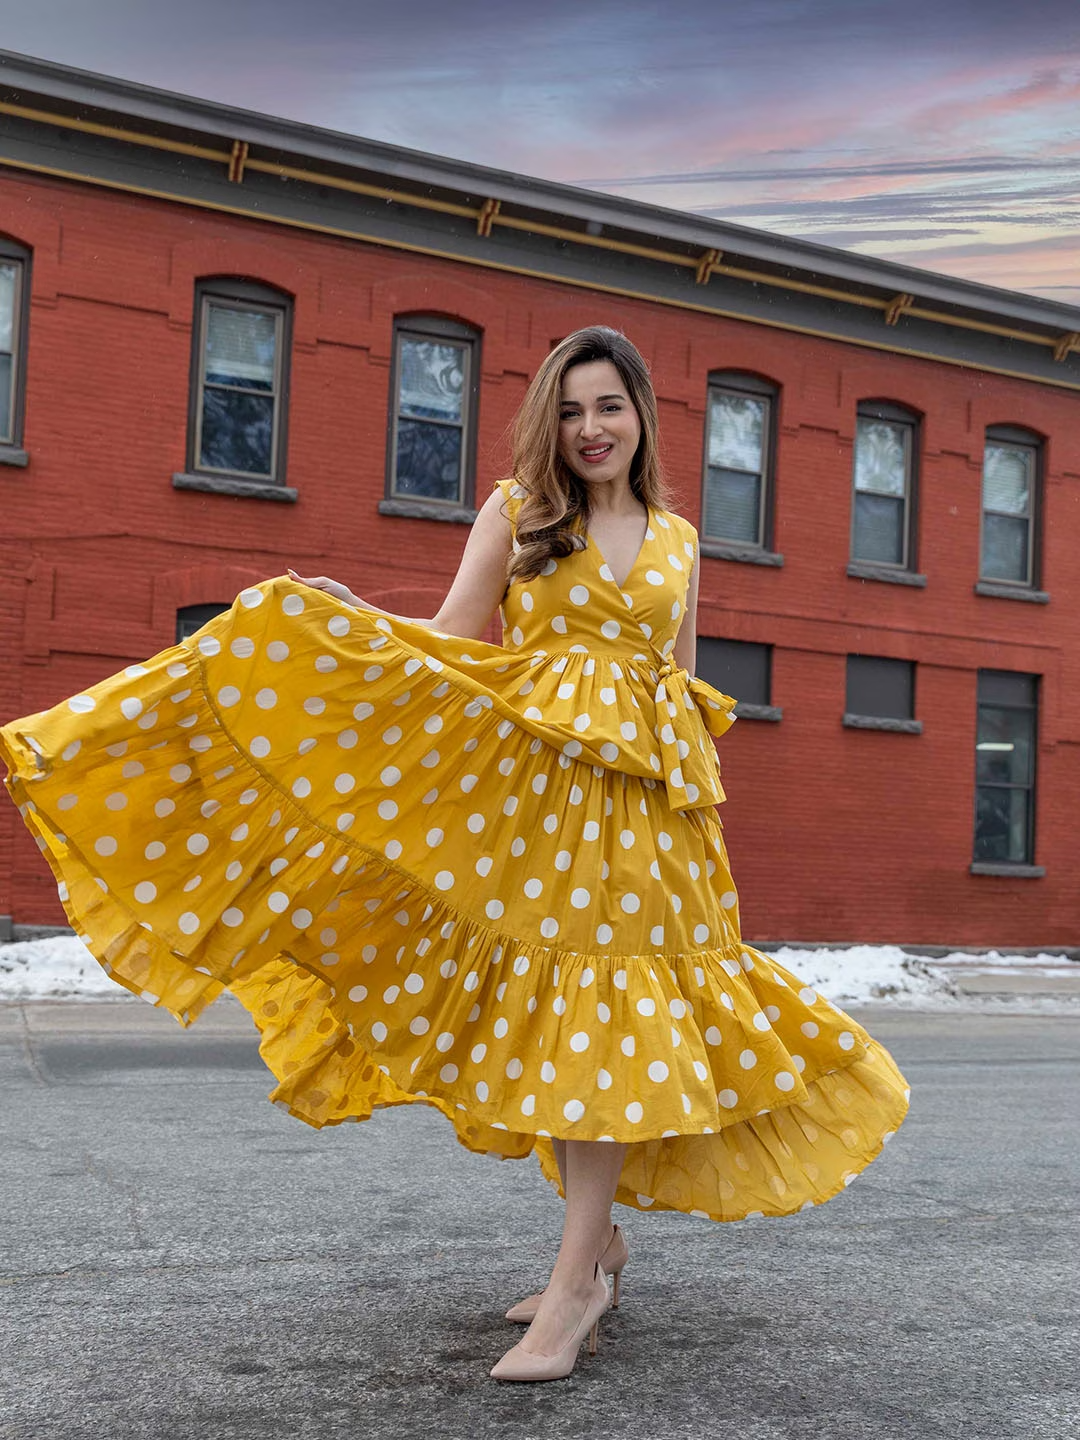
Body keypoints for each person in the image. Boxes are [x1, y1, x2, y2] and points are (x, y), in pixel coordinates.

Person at [0, 325, 910, 1384]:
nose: (590, 429)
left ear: (642, 414)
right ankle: (592, 1263)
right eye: (569, 412)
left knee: (615, 1025)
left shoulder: (678, 538)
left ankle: (579, 1282)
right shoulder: (519, 513)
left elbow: (683, 687)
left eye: (608, 406)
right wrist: (348, 622)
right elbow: (452, 634)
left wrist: (698, 820)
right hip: (547, 819)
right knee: (583, 1027)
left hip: (657, 830)